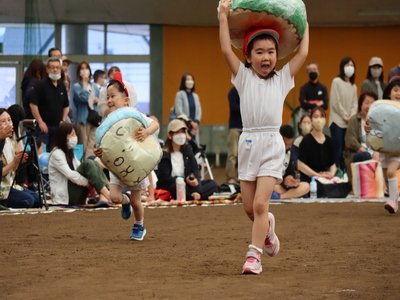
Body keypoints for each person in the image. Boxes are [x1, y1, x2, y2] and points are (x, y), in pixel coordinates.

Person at [218, 0, 309, 274]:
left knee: (260, 203)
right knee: (249, 208)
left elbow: (303, 54)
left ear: (277, 55)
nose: (266, 56)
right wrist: (223, 16)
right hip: (247, 144)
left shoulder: (282, 79)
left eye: (271, 51)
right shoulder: (243, 77)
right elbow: (225, 49)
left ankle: (253, 255)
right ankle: (267, 228)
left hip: (271, 144)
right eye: (259, 52)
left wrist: (305, 23)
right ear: (248, 56)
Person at [95, 72, 159, 240]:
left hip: (136, 163)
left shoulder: (134, 114)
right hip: (117, 165)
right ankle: (125, 202)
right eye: (107, 97)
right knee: (114, 197)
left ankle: (139, 225)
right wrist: (98, 153)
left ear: (125, 99)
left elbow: (155, 124)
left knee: (137, 202)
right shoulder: (107, 121)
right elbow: (103, 147)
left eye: (113, 96)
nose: (109, 100)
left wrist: (146, 132)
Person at [48, 122, 110, 206]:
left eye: (75, 134)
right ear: (63, 137)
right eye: (71, 135)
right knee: (89, 163)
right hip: (65, 197)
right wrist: (89, 182)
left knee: (93, 162)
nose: (75, 137)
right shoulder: (57, 153)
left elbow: (80, 168)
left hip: (76, 191)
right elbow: (70, 174)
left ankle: (105, 196)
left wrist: (93, 178)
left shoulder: (70, 152)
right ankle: (108, 195)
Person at [157, 119, 219, 200]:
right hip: (172, 186)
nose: (181, 135)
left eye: (183, 132)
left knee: (212, 184)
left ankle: (195, 196)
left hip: (188, 186)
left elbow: (195, 170)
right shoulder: (164, 154)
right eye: (178, 132)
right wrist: (184, 180)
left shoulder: (187, 150)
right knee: (176, 187)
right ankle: (195, 196)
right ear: (170, 135)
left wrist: (195, 185)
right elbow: (164, 178)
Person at [0, 108, 40, 209]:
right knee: (28, 201)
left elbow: (13, 170)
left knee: (37, 199)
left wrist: (18, 161)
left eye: (9, 120)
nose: (8, 124)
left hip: (10, 185)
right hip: (2, 189)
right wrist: (14, 163)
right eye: (3, 121)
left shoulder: (10, 142)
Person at [29, 56, 69, 151]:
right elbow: (33, 104)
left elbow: (66, 106)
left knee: (55, 154)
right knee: (41, 156)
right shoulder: (40, 85)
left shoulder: (62, 86)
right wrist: (40, 122)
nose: (55, 70)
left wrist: (63, 120)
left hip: (58, 127)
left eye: (57, 67)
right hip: (43, 128)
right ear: (47, 69)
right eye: (52, 67)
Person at [329, 56, 358, 173]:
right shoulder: (336, 81)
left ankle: (346, 172)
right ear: (342, 67)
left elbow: (355, 104)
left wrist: (351, 115)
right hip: (337, 121)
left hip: (349, 123)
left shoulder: (353, 86)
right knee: (337, 148)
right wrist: (345, 115)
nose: (350, 68)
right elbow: (335, 102)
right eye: (347, 65)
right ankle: (337, 171)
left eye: (352, 65)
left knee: (347, 150)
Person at [344, 92, 379, 181]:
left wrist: (377, 152)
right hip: (357, 153)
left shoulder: (378, 121)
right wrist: (365, 150)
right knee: (365, 156)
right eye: (366, 103)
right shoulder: (354, 120)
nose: (369, 106)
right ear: (360, 105)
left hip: (374, 153)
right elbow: (350, 140)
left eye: (372, 103)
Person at [298, 107, 336, 183]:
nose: (319, 119)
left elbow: (333, 164)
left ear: (325, 120)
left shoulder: (329, 140)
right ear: (311, 120)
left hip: (325, 177)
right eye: (316, 116)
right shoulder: (306, 140)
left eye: (322, 116)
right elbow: (300, 165)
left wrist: (331, 174)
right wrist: (317, 175)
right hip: (310, 178)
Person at [379, 78, 400, 214]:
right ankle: (395, 200)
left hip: (398, 149)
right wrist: (369, 129)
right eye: (396, 90)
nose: (398, 93)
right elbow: (376, 126)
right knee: (388, 176)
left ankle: (392, 201)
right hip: (385, 149)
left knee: (392, 172)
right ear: (389, 93)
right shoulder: (381, 110)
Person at [272, 125, 310, 199]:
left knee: (306, 186)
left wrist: (290, 179)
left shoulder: (291, 151)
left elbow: (290, 172)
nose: (288, 147)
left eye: (290, 144)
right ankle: (291, 195)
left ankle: (281, 197)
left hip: (283, 186)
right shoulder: (271, 151)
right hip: (272, 184)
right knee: (273, 187)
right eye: (286, 144)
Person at [72, 61, 100, 158]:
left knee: (92, 144)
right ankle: (82, 165)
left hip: (94, 118)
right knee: (82, 144)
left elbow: (100, 99)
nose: (84, 71)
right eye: (82, 69)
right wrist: (84, 84)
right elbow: (82, 98)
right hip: (83, 119)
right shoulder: (76, 86)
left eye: (86, 68)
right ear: (79, 72)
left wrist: (97, 100)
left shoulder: (94, 86)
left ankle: (90, 163)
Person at [173, 73, 202, 144]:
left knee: (194, 146)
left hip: (194, 127)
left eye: (192, 79)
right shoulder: (179, 94)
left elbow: (199, 110)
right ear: (184, 82)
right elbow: (179, 111)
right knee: (185, 146)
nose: (190, 81)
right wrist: (190, 122)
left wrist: (196, 123)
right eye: (188, 79)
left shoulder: (195, 96)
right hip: (184, 125)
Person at [225, 86, 242, 184]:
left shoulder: (248, 91)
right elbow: (234, 108)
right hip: (235, 127)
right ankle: (230, 177)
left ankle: (241, 176)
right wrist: (247, 106)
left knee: (244, 155)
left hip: (246, 128)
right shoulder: (233, 91)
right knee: (233, 154)